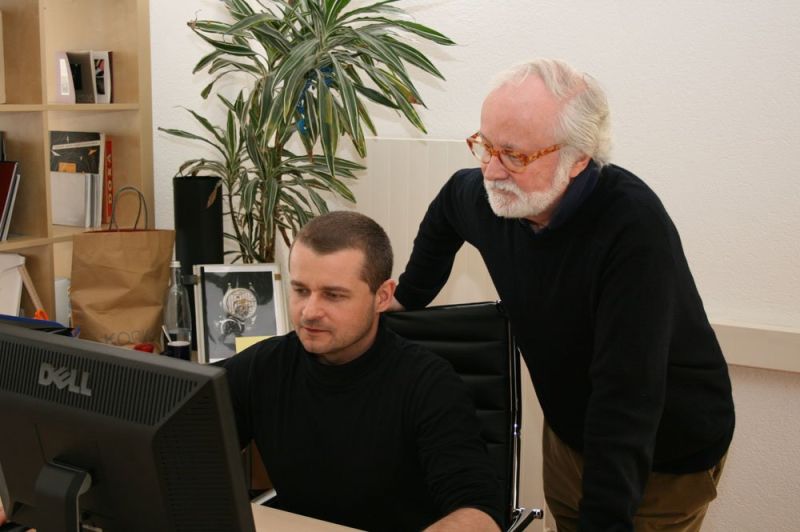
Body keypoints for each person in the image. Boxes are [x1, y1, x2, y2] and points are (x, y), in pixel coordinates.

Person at [389, 59, 735, 532]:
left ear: (578, 158)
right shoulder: (494, 195)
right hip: (572, 430)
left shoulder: (632, 227)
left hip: (664, 450)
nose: (491, 170)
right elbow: (450, 206)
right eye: (485, 145)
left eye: (515, 155)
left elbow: (627, 397)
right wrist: (407, 299)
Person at [217, 211, 502, 532]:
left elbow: (480, 514)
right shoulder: (261, 367)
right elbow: (179, 441)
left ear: (382, 296)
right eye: (300, 290)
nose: (309, 311)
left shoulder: (429, 385)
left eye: (333, 295)